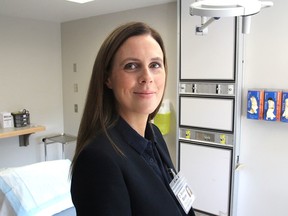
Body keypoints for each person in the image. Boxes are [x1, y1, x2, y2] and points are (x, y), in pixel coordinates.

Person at [70, 21, 196, 216]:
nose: (147, 77)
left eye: (155, 65)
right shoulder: (98, 161)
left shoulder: (154, 135)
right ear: (108, 78)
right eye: (131, 66)